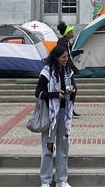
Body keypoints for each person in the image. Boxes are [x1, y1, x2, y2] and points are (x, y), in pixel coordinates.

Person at [35, 44, 76, 187]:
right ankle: (45, 181)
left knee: (63, 148)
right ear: (56, 57)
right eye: (63, 57)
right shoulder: (47, 72)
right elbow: (38, 93)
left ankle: (62, 180)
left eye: (67, 56)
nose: (66, 59)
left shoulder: (68, 71)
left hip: (64, 113)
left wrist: (72, 89)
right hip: (51, 114)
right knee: (48, 147)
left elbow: (74, 87)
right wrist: (55, 95)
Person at [56, 22, 80, 117]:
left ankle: (68, 109)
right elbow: (65, 57)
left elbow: (69, 55)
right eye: (71, 32)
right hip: (64, 70)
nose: (73, 33)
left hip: (67, 69)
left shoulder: (67, 43)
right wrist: (75, 68)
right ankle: (68, 109)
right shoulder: (62, 43)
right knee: (72, 88)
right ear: (67, 34)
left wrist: (77, 52)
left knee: (70, 89)